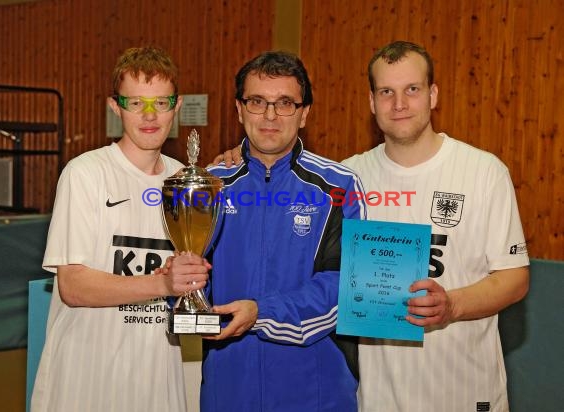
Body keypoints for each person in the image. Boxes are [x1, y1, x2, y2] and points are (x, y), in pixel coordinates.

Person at [216, 41, 530, 412]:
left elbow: (515, 279)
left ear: (432, 95)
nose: (399, 104)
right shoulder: (349, 176)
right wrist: (241, 160)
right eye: (386, 92)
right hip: (375, 394)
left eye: (411, 89)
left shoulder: (483, 172)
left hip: (461, 387)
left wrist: (452, 306)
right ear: (371, 102)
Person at [31, 46, 210, 412]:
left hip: (157, 380)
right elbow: (73, 286)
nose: (149, 115)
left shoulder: (185, 181)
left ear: (176, 107)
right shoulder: (85, 173)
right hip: (86, 381)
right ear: (116, 107)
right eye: (135, 103)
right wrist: (161, 283)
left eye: (161, 103)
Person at [201, 51, 367, 411]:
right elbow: (191, 286)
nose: (271, 115)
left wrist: (261, 312)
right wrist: (175, 286)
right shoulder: (208, 187)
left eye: (285, 103)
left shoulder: (338, 186)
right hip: (228, 392)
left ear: (304, 113)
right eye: (258, 101)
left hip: (316, 393)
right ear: (239, 109)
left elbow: (346, 288)